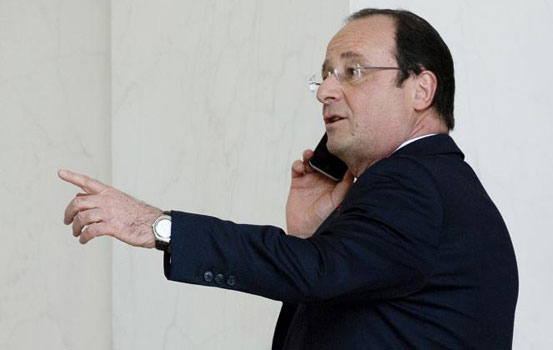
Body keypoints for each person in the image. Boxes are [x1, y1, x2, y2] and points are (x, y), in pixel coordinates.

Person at [59, 8, 518, 349]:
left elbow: (317, 273)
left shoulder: (416, 183)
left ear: (421, 89)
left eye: (353, 72)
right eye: (323, 76)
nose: (326, 91)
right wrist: (311, 237)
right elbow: (333, 286)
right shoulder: (425, 185)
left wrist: (157, 226)